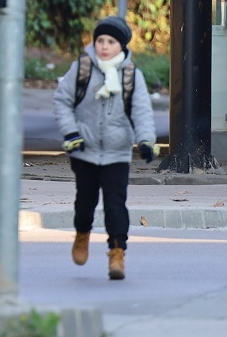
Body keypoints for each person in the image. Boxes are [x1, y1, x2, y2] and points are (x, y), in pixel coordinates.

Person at [54, 16, 157, 282]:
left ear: (121, 46)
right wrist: (71, 133)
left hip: (116, 153)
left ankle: (117, 253)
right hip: (84, 149)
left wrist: (145, 141)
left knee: (115, 205)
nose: (104, 46)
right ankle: (82, 233)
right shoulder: (82, 69)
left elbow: (142, 111)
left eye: (110, 41)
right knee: (85, 204)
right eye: (100, 40)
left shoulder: (132, 75)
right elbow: (62, 101)